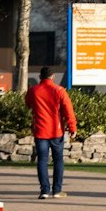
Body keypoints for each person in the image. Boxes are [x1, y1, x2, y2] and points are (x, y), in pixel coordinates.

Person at [25, 66, 77, 199]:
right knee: (58, 160)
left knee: (42, 160)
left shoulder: (33, 91)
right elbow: (68, 110)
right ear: (53, 77)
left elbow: (28, 103)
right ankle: (57, 190)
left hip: (40, 131)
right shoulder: (59, 90)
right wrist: (72, 128)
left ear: (40, 77)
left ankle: (44, 191)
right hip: (56, 131)